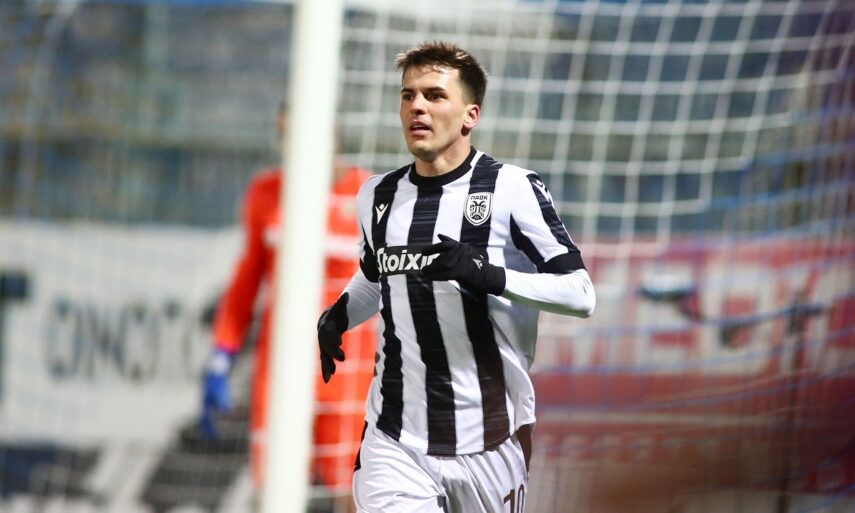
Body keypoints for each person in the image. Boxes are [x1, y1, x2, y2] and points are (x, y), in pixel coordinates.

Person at [316, 41, 596, 513]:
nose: (417, 106)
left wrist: (487, 275)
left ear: (470, 115)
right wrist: (339, 316)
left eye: (434, 95)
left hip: (490, 438)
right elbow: (375, 274)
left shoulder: (511, 189)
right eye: (408, 95)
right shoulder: (377, 196)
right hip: (395, 438)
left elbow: (581, 294)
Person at [201, 103, 376, 508]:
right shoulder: (267, 193)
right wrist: (222, 354)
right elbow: (246, 282)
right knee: (274, 491)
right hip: (281, 371)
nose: (293, 145)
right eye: (286, 136)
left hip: (349, 375)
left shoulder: (371, 197)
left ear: (332, 136)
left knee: (354, 495)